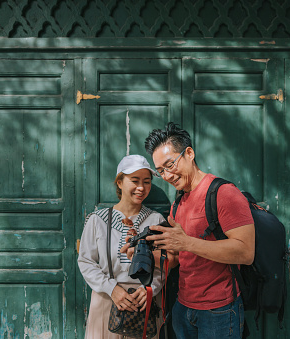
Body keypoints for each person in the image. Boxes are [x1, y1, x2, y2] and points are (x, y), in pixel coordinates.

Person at [143, 122, 255, 339]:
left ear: (189, 153)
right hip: (183, 307)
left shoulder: (224, 193)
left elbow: (245, 252)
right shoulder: (178, 203)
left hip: (219, 311)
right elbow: (176, 259)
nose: (167, 175)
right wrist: (144, 256)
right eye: (160, 171)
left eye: (170, 165)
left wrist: (186, 242)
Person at [77, 154, 167, 339]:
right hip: (106, 300)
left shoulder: (156, 221)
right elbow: (86, 261)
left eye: (147, 182)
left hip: (143, 304)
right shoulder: (97, 220)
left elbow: (165, 264)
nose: (141, 187)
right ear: (120, 182)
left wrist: (151, 289)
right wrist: (112, 289)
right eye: (135, 180)